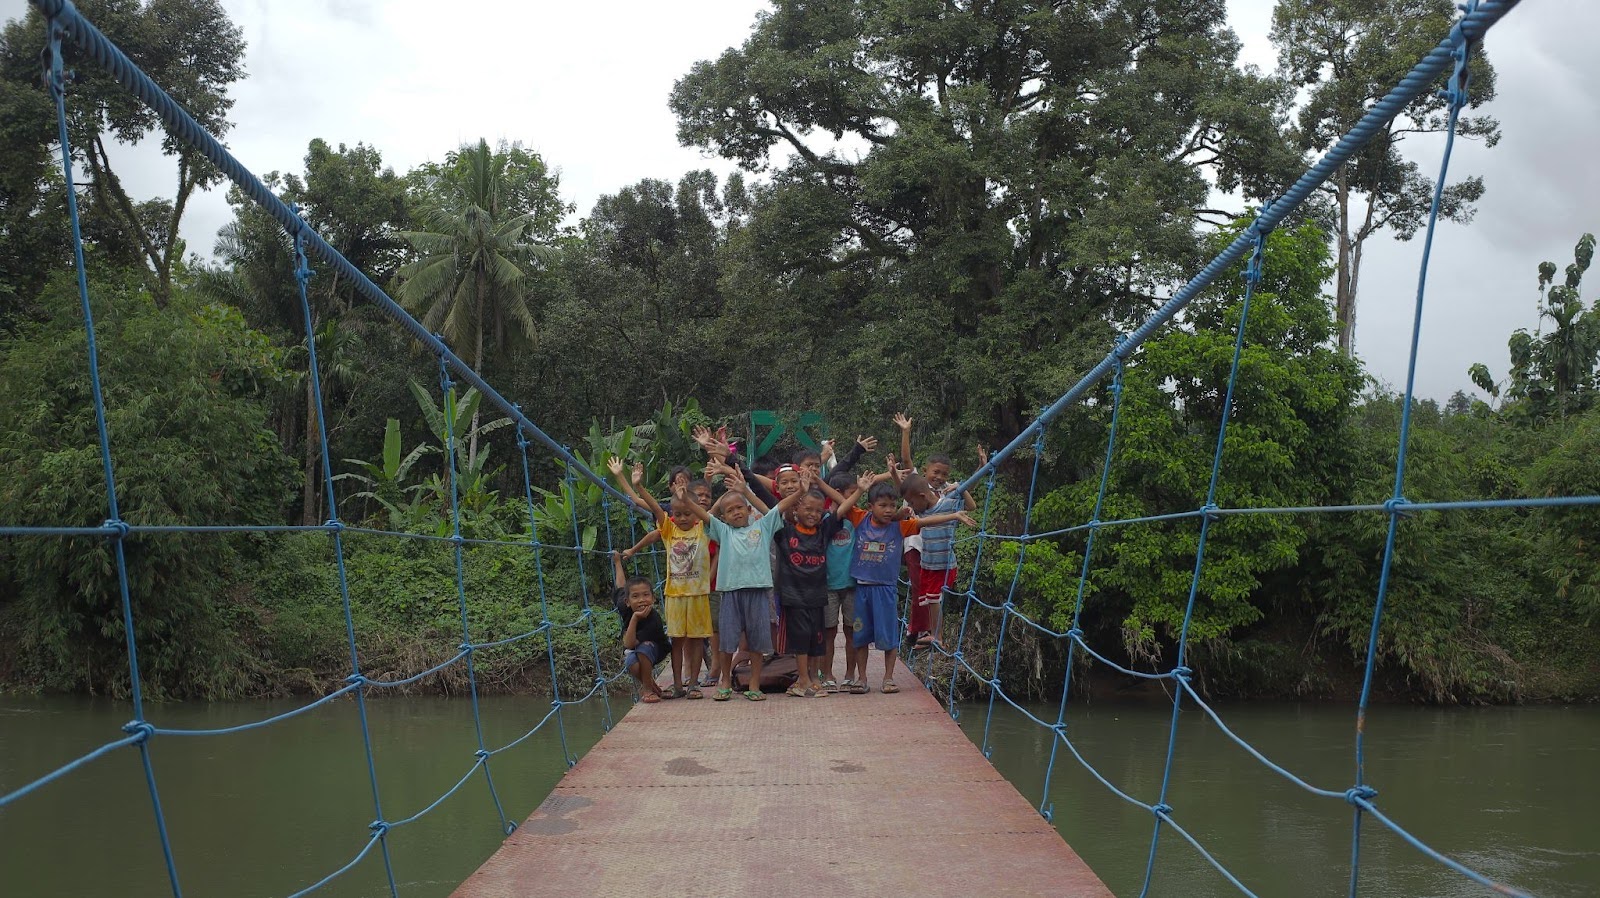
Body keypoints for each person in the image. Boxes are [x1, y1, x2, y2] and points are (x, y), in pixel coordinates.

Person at [677, 464, 803, 701]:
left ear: (747, 509)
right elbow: (705, 516)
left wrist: (799, 491)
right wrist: (686, 500)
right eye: (730, 510)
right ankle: (725, 681)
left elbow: (780, 507)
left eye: (740, 508)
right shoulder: (723, 531)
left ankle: (754, 684)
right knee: (727, 643)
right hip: (731, 593)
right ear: (723, 517)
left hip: (757, 593)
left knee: (757, 643)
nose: (736, 512)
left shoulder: (762, 527)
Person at [844, 475, 975, 694]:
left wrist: (954, 515)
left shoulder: (900, 528)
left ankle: (888, 678)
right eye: (882, 505)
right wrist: (857, 489)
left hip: (885, 589)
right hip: (862, 589)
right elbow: (840, 502)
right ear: (870, 507)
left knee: (889, 636)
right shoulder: (861, 519)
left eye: (892, 506)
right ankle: (862, 678)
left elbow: (925, 521)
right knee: (860, 636)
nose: (888, 510)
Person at [608, 457, 711, 700]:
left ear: (696, 514)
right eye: (678, 513)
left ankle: (694, 684)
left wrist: (691, 495)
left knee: (696, 642)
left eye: (688, 513)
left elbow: (704, 509)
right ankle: (678, 684)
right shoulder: (669, 530)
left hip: (698, 594)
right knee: (677, 641)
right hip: (675, 594)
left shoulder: (703, 528)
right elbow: (655, 508)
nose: (683, 517)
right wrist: (639, 485)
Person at [774, 472, 867, 697]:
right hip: (794, 597)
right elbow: (769, 507)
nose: (814, 514)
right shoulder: (784, 532)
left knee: (816, 639)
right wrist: (799, 491)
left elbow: (843, 509)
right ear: (796, 509)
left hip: (818, 596)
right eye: (808, 509)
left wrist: (861, 491)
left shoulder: (823, 532)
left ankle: (814, 678)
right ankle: (803, 680)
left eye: (818, 511)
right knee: (801, 639)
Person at [895, 413, 984, 645]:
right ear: (925, 472)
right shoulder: (917, 489)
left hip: (938, 558)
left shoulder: (945, 493)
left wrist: (980, 469)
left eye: (944, 474)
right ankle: (923, 631)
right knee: (921, 593)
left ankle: (931, 634)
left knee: (929, 596)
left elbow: (967, 493)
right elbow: (906, 462)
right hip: (917, 547)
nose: (939, 477)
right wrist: (906, 431)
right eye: (935, 472)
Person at [611, 550, 670, 703]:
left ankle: (648, 690)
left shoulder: (653, 619)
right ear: (627, 601)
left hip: (657, 649)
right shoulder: (624, 607)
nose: (641, 600)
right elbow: (621, 586)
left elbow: (630, 643)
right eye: (635, 596)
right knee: (631, 662)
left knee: (644, 648)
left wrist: (636, 618)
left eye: (646, 595)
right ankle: (654, 687)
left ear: (653, 598)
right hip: (636, 647)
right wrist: (617, 562)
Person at [823, 470, 863, 692]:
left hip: (852, 585)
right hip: (828, 585)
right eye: (852, 493)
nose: (857, 497)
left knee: (852, 630)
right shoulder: (826, 520)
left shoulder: (858, 520)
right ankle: (827, 674)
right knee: (829, 632)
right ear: (838, 494)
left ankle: (850, 673)